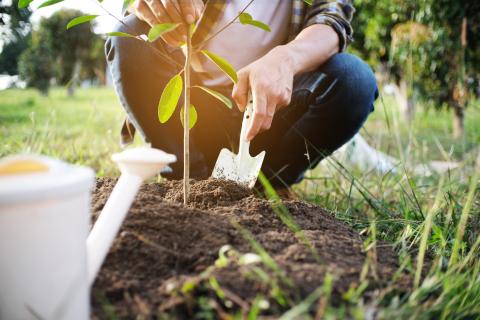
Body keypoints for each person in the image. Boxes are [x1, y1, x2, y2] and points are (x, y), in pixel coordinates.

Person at [105, 0, 378, 188]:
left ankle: (267, 187)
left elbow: (331, 19)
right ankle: (188, 181)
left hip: (271, 114)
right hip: (197, 114)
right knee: (130, 34)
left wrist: (286, 59)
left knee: (354, 79)